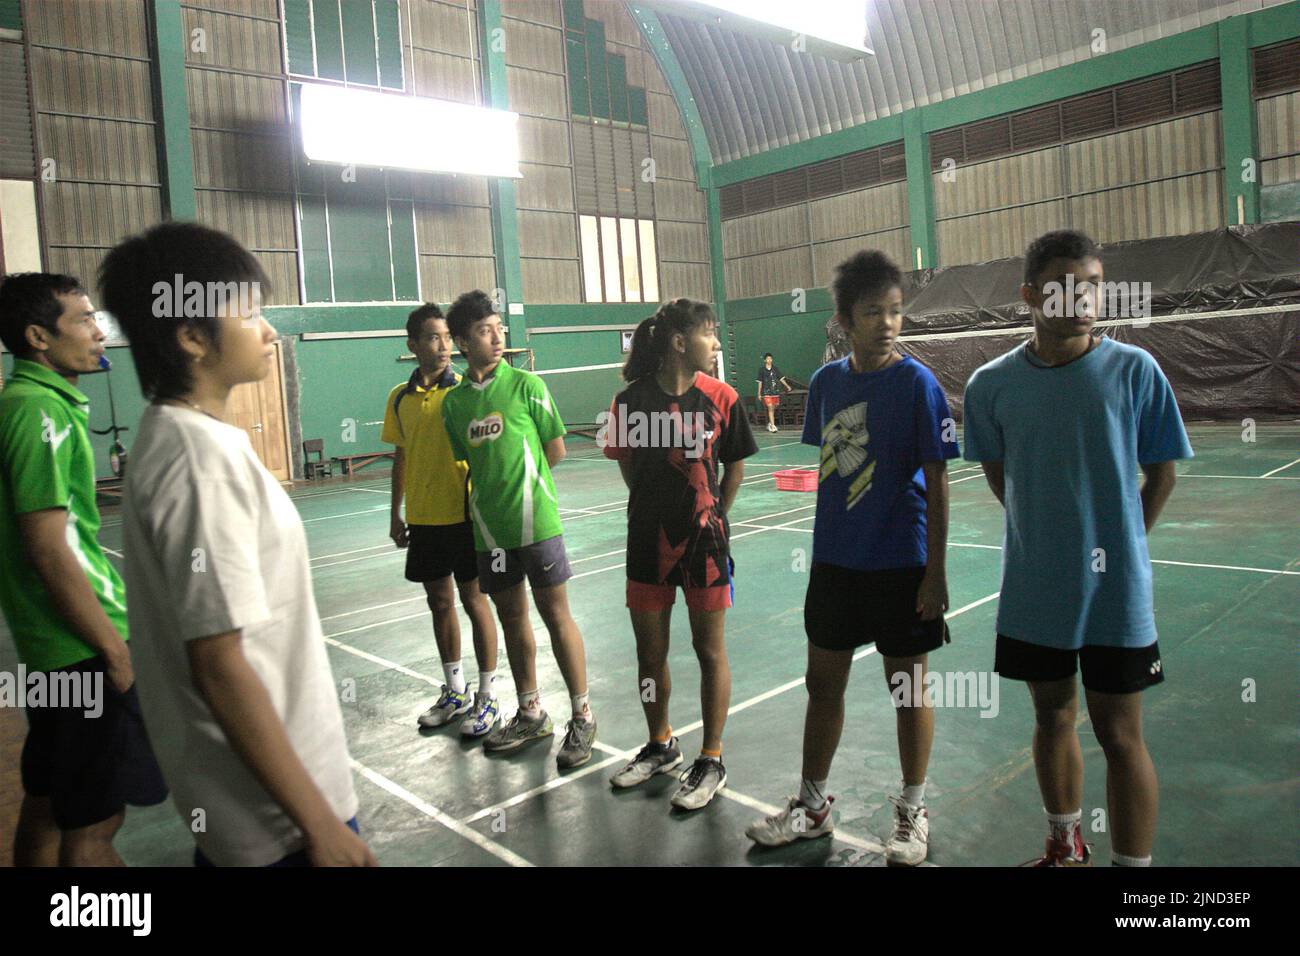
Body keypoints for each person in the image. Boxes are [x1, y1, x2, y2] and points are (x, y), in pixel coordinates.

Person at [100, 223, 375, 867]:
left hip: (258, 815)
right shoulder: (198, 461)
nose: (270, 331)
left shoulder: (180, 439)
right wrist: (320, 825)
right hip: (282, 828)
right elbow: (219, 665)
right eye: (249, 313)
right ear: (191, 336)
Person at [962, 229, 1191, 867]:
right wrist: (1051, 537)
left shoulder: (1136, 371)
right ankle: (1065, 847)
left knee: (1121, 735)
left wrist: (1116, 546)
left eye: (1093, 284)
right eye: (1066, 286)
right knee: (1052, 719)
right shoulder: (990, 385)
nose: (1083, 298)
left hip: (1117, 597)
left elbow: (1162, 475)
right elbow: (1000, 475)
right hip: (1036, 593)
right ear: (1031, 294)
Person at [746, 251, 959, 866]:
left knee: (909, 688)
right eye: (874, 312)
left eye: (895, 311)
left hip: (902, 562)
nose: (889, 323)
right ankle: (812, 807)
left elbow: (938, 481)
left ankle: (913, 809)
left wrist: (936, 570)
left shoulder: (917, 384)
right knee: (823, 685)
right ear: (845, 319)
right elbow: (831, 469)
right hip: (836, 563)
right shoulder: (827, 385)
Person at [0, 272, 167, 866]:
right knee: (95, 827)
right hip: (81, 648)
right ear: (38, 337)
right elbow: (48, 550)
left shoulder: (29, 402)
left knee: (49, 806)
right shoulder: (37, 411)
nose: (100, 332)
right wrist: (115, 652)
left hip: (53, 652)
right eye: (84, 320)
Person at [601, 299, 757, 810]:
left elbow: (733, 466)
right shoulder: (627, 405)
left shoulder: (724, 398)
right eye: (709, 334)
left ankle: (711, 758)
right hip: (646, 540)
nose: (715, 344)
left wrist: (715, 516)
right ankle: (660, 743)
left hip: (705, 543)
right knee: (651, 655)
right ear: (677, 342)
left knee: (709, 650)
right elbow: (629, 471)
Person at [439, 290, 598, 770]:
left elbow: (555, 450)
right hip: (490, 533)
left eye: (499, 329)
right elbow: (471, 463)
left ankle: (583, 715)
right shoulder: (454, 405)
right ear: (464, 341)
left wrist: (528, 494)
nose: (497, 337)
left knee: (556, 616)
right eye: (485, 331)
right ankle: (531, 711)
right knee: (512, 618)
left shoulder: (528, 385)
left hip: (539, 525)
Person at [383, 304, 501, 737]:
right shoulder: (400, 397)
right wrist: (395, 512)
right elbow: (401, 455)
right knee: (439, 603)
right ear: (413, 345)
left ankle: (487, 697)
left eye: (447, 337)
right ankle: (455, 691)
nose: (444, 346)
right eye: (433, 338)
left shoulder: (464, 392)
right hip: (424, 517)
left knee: (474, 602)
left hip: (465, 515)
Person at [755, 352, 792, 433]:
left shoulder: (775, 369)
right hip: (766, 392)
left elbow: (781, 378)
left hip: (775, 392)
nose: (769, 360)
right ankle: (773, 425)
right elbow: (760, 382)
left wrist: (787, 386)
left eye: (770, 359)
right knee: (770, 407)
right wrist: (759, 393)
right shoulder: (761, 370)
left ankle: (770, 423)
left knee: (775, 406)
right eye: (768, 359)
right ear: (765, 360)